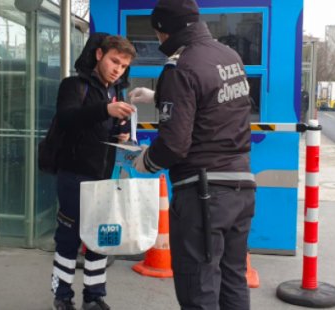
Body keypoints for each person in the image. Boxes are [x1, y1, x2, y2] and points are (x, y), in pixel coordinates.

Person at [130, 0, 256, 308]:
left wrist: (146, 161)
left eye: (158, 34)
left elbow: (173, 145)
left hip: (203, 195)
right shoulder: (229, 55)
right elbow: (213, 100)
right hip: (241, 187)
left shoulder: (180, 66)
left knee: (199, 287)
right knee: (233, 279)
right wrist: (160, 95)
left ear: (164, 31)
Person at [50, 34, 136, 310]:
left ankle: (94, 296)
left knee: (100, 238)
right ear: (99, 55)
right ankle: (62, 297)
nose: (117, 69)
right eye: (114, 61)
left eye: (123, 66)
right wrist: (105, 110)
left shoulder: (115, 92)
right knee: (68, 238)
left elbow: (103, 128)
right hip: (73, 176)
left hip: (102, 178)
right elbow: (67, 118)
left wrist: (121, 133)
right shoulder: (74, 85)